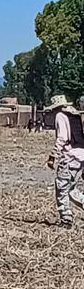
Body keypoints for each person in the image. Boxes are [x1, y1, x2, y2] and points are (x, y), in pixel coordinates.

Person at [45, 95, 84, 228]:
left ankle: (66, 219)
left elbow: (62, 137)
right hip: (81, 155)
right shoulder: (75, 115)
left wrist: (52, 156)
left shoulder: (61, 116)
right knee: (71, 189)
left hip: (70, 157)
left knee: (61, 188)